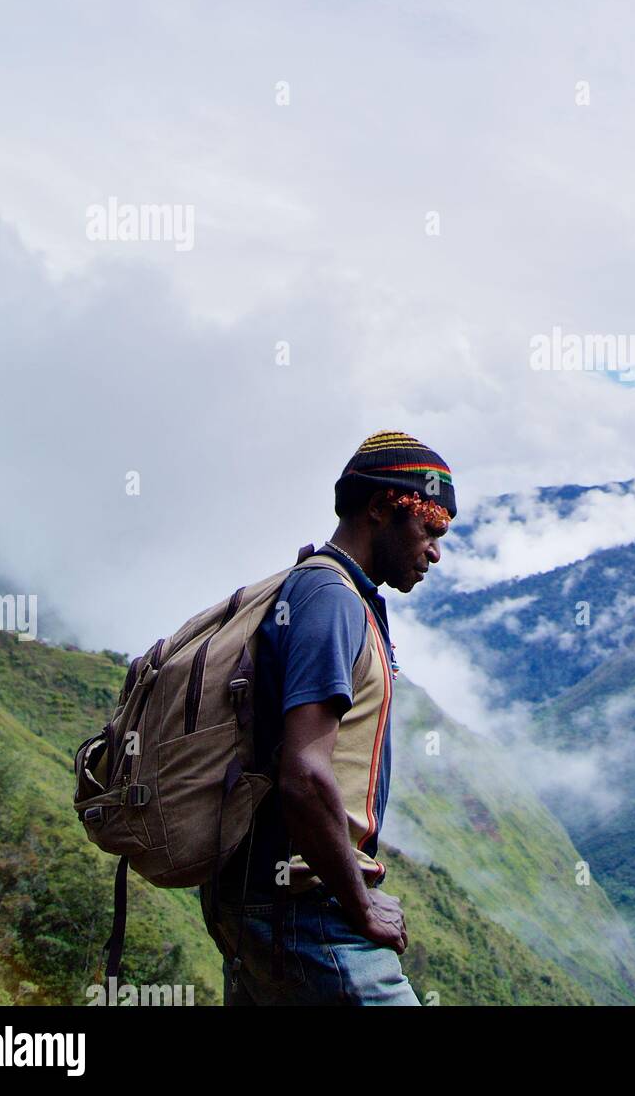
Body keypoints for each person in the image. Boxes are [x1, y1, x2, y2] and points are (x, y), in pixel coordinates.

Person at [199, 430, 455, 1005]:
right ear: (381, 508)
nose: (436, 552)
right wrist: (360, 905)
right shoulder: (331, 598)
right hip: (300, 903)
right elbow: (305, 773)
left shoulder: (323, 591)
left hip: (265, 894)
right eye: (430, 529)